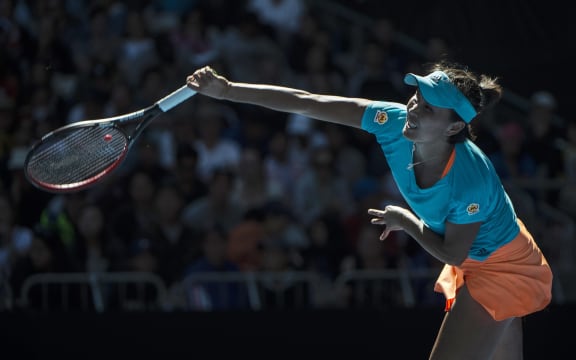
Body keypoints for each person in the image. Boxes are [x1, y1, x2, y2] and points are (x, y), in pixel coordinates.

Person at [185, 61, 553, 359]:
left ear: (455, 125)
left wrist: (405, 220)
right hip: (479, 253)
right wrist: (229, 90)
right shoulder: (391, 121)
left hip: (502, 266)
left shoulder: (470, 180)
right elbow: (307, 101)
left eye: (429, 108)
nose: (413, 108)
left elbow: (453, 252)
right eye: (416, 96)